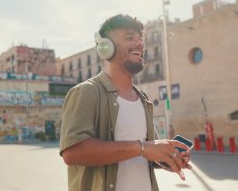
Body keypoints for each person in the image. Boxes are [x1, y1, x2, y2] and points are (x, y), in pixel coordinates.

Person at [59, 14, 192, 191]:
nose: (140, 44)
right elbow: (73, 153)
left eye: (141, 39)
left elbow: (144, 155)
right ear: (105, 47)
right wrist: (143, 148)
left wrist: (167, 157)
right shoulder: (87, 92)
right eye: (129, 37)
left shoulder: (143, 100)